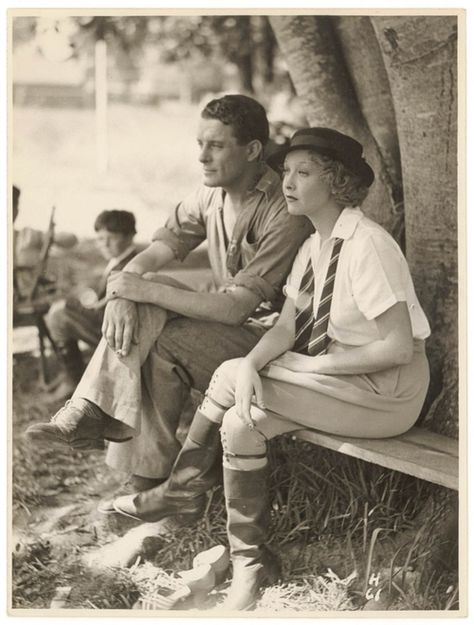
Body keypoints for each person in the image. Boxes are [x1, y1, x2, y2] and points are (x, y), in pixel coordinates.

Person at [111, 127, 431, 610]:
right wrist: (254, 365)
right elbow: (284, 327)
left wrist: (305, 365)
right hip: (336, 381)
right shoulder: (313, 246)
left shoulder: (368, 245)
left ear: (339, 183)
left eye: (304, 173)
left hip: (386, 392)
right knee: (239, 421)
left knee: (225, 378)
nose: (288, 182)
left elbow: (398, 349)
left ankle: (179, 489)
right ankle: (250, 564)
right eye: (286, 171)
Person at [25, 95, 314, 513]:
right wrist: (125, 287)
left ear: (252, 150)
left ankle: (106, 429)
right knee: (153, 328)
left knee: (154, 311)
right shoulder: (208, 196)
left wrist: (141, 290)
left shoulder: (282, 212)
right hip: (229, 334)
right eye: (199, 143)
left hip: (271, 344)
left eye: (215, 145)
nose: (201, 156)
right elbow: (155, 252)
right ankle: (147, 478)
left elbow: (237, 309)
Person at [46, 210, 138, 400]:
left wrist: (70, 304)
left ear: (129, 236)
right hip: (109, 321)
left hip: (119, 331)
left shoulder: (131, 264)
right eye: (100, 239)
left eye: (110, 238)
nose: (104, 244)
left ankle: (73, 378)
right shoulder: (117, 261)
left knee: (57, 316)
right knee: (59, 308)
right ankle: (71, 374)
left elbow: (113, 305)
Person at [13, 184, 78, 302]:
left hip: (28, 300)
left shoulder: (27, 235)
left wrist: (52, 238)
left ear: (16, 211)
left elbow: (71, 239)